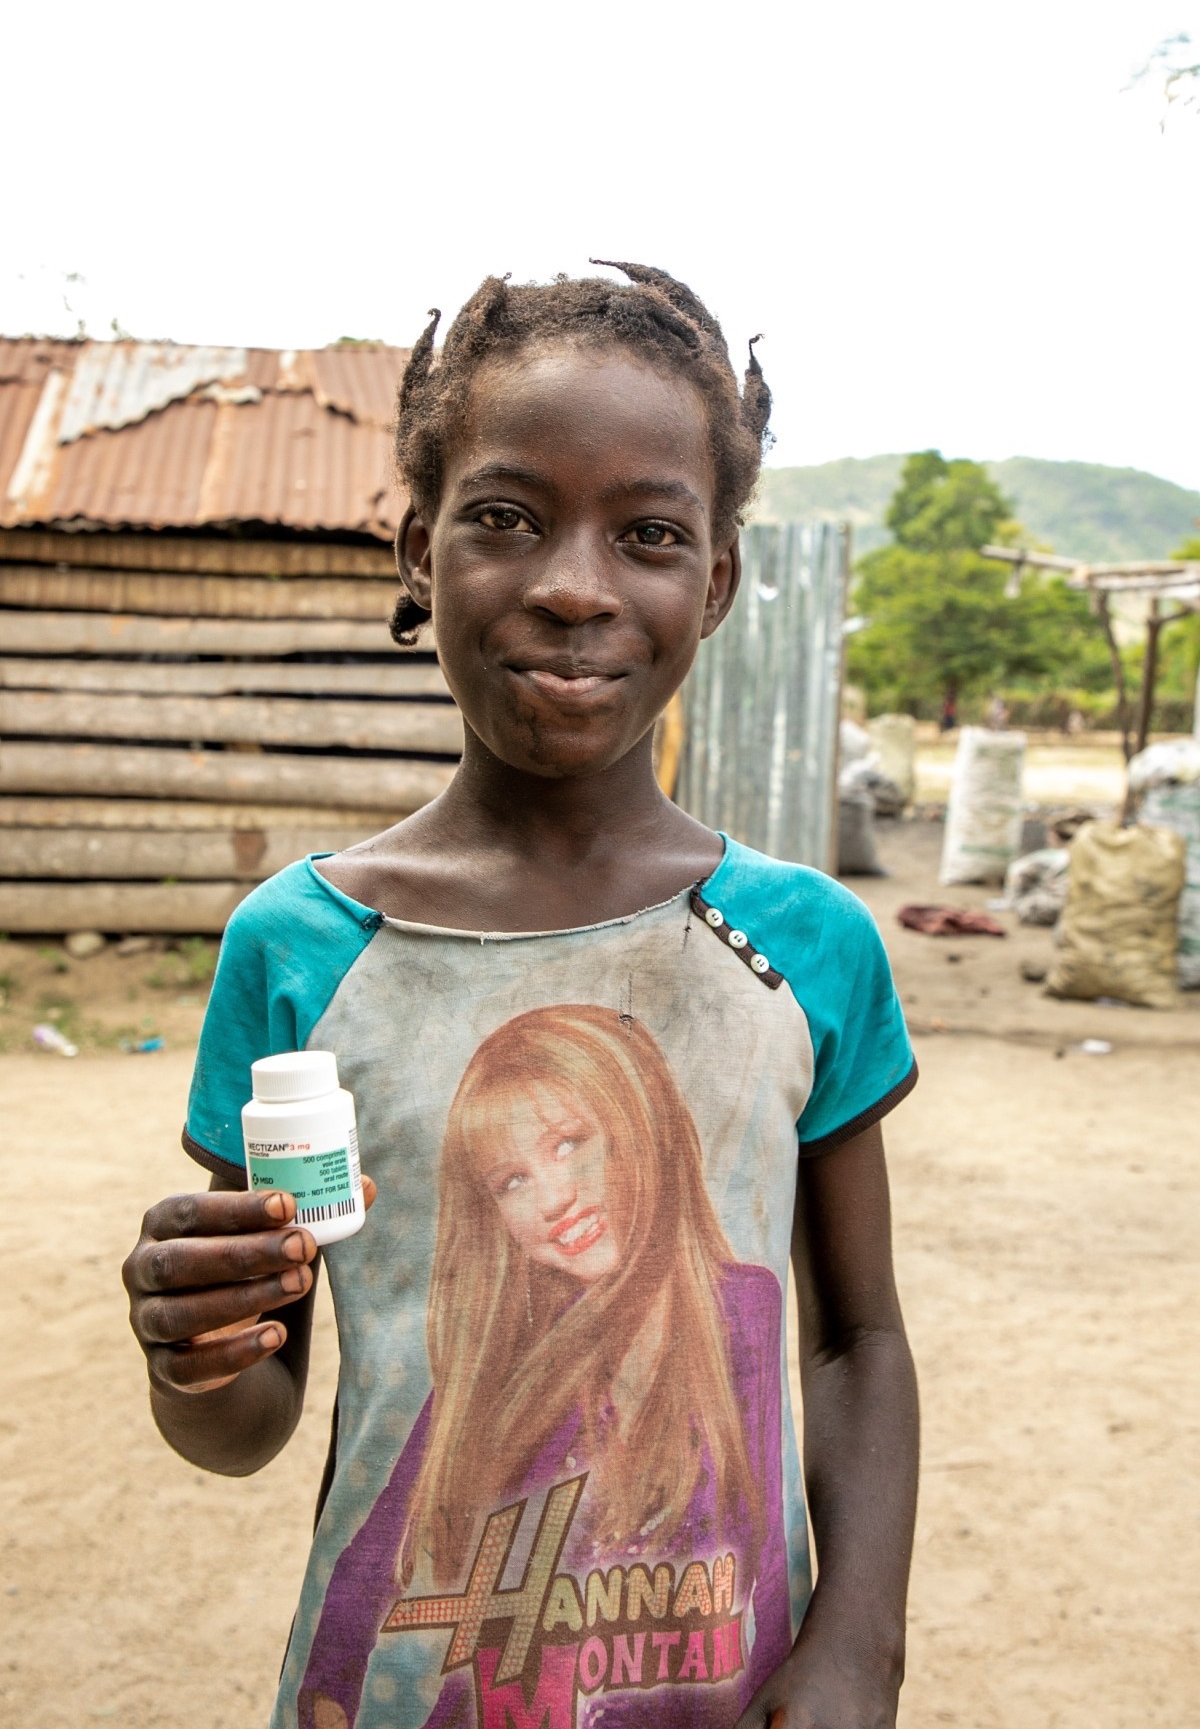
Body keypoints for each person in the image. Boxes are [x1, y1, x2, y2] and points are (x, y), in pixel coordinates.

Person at [123, 262, 920, 1729]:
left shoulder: (801, 944)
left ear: (717, 581)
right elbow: (249, 1423)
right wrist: (197, 1351)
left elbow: (854, 1340)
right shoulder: (300, 949)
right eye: (504, 518)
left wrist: (860, 1640)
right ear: (419, 552)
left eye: (650, 533)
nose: (573, 583)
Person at [298, 1005, 791, 1727]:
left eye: (568, 1144)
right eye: (511, 1182)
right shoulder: (512, 1357)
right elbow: (371, 1561)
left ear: (639, 1124)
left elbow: (759, 1554)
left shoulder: (745, 1308)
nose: (554, 1198)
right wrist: (326, 1697)